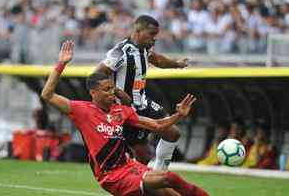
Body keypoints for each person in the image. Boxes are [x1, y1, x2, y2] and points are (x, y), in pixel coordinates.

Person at [41, 40, 209, 196]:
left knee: (167, 191)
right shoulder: (82, 110)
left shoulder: (121, 111)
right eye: (106, 89)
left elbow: (157, 125)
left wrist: (178, 115)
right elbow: (47, 94)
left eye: (112, 88)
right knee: (169, 178)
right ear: (93, 93)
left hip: (129, 166)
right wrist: (62, 63)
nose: (111, 93)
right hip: (111, 176)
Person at [95, 15, 188, 170]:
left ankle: (159, 175)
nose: (154, 39)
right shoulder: (120, 52)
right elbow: (97, 75)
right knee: (143, 157)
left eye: (156, 35)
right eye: (151, 34)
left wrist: (177, 64)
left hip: (143, 102)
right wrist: (116, 92)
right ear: (138, 31)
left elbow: (158, 60)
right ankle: (136, 184)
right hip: (126, 109)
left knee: (173, 134)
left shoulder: (144, 49)